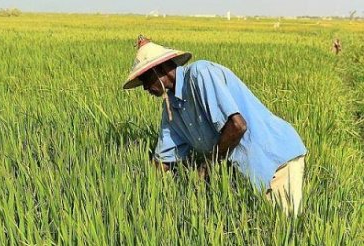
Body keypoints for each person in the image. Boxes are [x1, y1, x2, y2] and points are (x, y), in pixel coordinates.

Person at [122, 35, 307, 217]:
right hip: (250, 172)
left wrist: (207, 166)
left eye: (145, 80)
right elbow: (163, 160)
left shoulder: (200, 74)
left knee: (285, 229)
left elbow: (237, 126)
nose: (145, 88)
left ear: (159, 69)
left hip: (276, 159)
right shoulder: (172, 108)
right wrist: (143, 196)